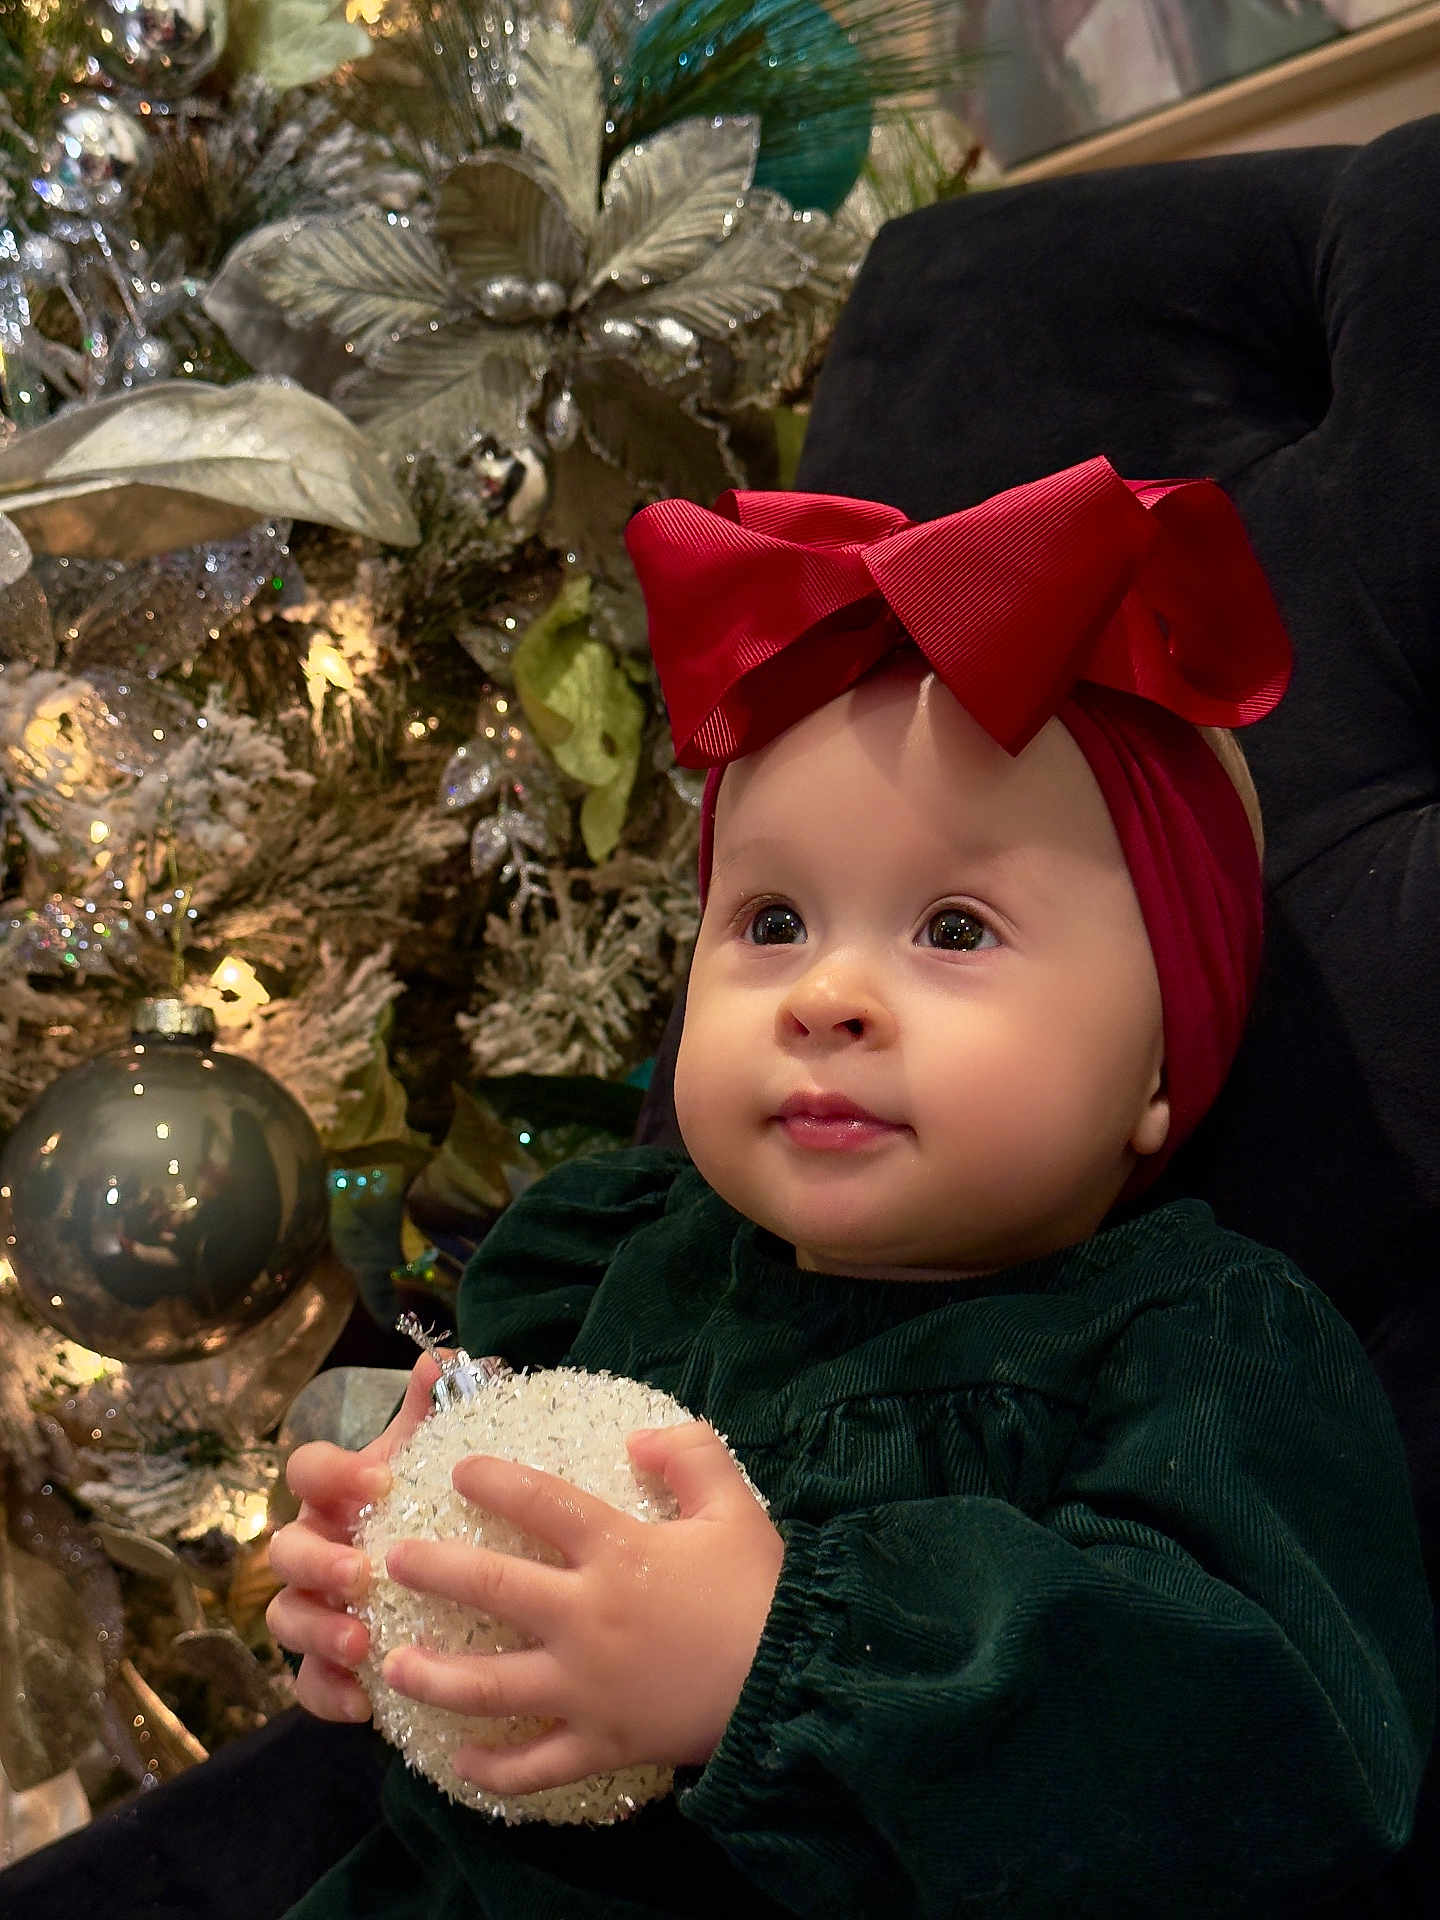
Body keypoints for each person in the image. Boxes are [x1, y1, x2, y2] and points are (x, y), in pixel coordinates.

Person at [266, 458, 1434, 1919]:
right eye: (771, 920)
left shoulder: (1195, 1353)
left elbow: (1276, 1770)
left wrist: (779, 1660)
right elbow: (469, 1548)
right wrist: (392, 1597)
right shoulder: (605, 1265)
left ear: (1160, 1059)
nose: (825, 994)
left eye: (955, 928)